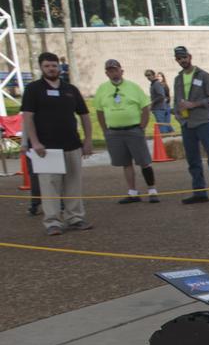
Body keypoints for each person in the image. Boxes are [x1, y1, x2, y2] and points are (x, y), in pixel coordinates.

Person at [21, 51, 94, 236]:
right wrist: (34, 142)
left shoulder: (71, 89)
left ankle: (75, 218)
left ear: (59, 67)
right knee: (49, 186)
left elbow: (84, 115)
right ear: (41, 67)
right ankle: (53, 222)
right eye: (47, 66)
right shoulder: (33, 89)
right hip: (46, 148)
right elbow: (28, 117)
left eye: (54, 65)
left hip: (72, 144)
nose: (51, 69)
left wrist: (87, 140)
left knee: (73, 184)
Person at [92, 58, 159, 205]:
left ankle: (152, 190)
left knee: (144, 161)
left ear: (121, 71)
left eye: (115, 70)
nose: (113, 73)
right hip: (114, 132)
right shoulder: (102, 89)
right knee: (125, 163)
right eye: (110, 71)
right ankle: (132, 192)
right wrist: (105, 130)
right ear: (106, 73)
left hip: (134, 130)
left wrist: (142, 126)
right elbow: (99, 111)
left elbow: (145, 107)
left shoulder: (133, 87)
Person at [172, 46, 209, 205]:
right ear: (176, 60)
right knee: (192, 160)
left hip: (204, 123)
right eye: (179, 58)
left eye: (184, 57)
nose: (182, 60)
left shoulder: (204, 76)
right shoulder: (178, 79)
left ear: (190, 56)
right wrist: (178, 115)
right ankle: (199, 192)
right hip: (186, 124)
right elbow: (176, 101)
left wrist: (194, 104)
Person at [145, 69, 172, 134]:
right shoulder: (153, 84)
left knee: (162, 127)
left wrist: (152, 103)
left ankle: (165, 138)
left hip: (159, 108)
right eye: (146, 76)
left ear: (154, 75)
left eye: (149, 75)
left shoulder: (156, 84)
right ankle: (170, 137)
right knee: (166, 126)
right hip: (159, 107)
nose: (148, 77)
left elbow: (161, 95)